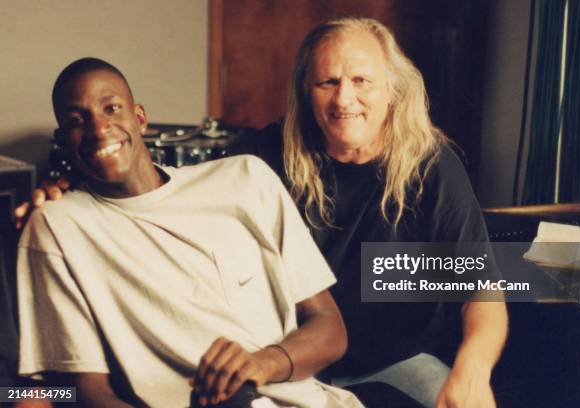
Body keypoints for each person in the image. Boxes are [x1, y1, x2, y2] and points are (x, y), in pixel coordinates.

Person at [16, 18, 508, 408]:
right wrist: (70, 182)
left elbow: (482, 288)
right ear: (305, 92)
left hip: (392, 360)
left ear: (392, 90)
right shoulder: (264, 158)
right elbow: (170, 186)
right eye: (328, 82)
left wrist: (472, 368)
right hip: (292, 362)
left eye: (362, 81)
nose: (344, 98)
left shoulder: (430, 166)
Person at [16, 58, 366, 408]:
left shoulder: (246, 178)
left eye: (111, 108)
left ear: (139, 118)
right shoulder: (58, 226)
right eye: (78, 120)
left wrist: (260, 364)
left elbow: (331, 331)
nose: (99, 128)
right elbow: (86, 391)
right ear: (63, 140)